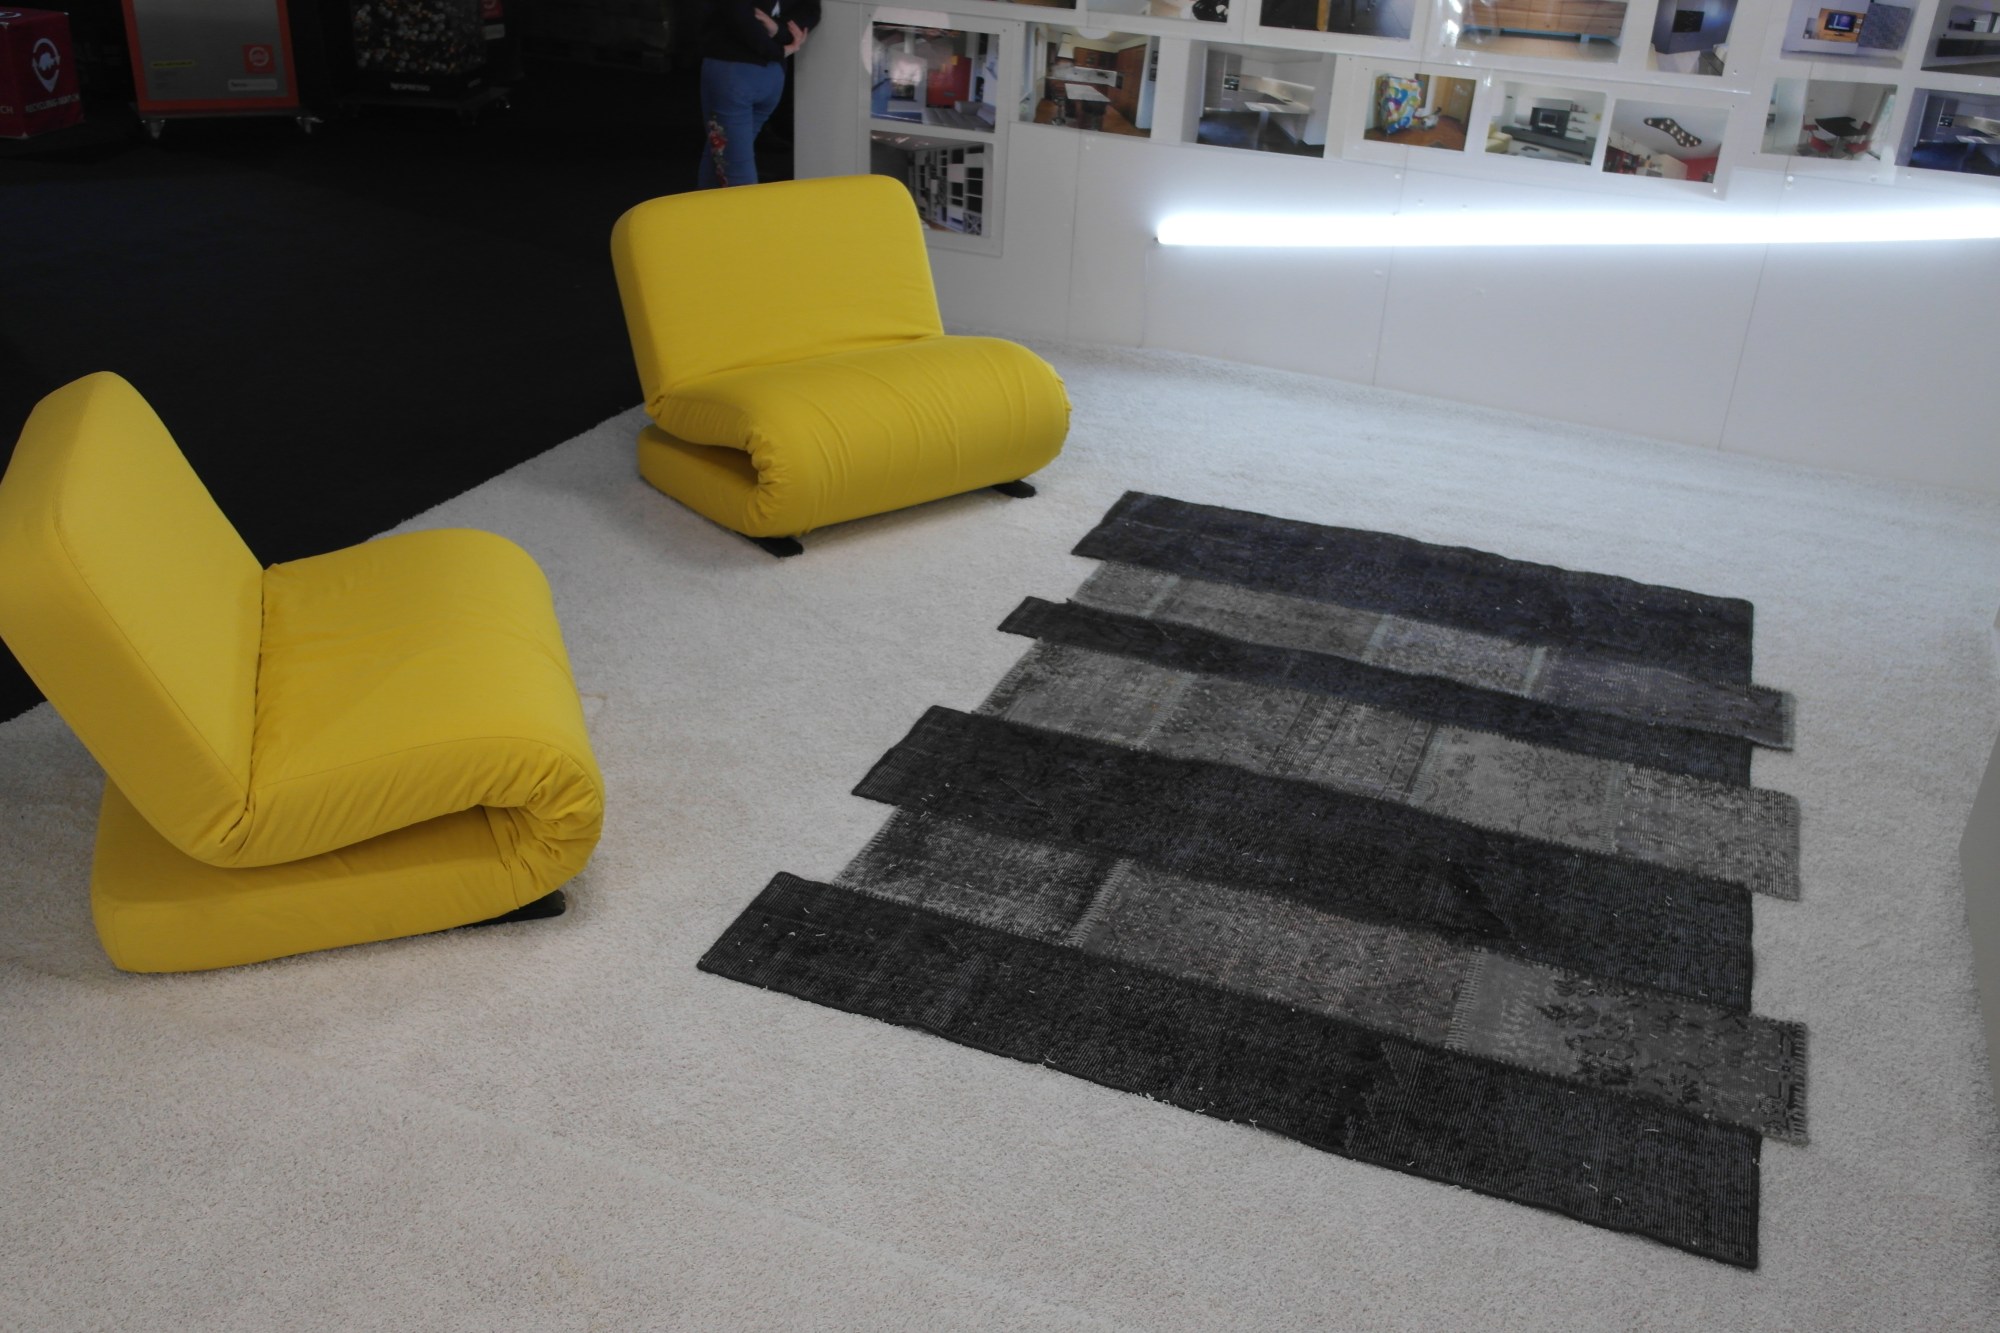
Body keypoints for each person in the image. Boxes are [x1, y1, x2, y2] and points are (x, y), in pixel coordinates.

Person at [696, 0, 820, 188]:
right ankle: (703, 206)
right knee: (720, 157)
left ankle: (734, 208)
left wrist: (777, 48)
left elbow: (737, 14)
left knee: (734, 169)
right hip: (770, 74)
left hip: (734, 70)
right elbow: (811, 9)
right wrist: (780, 34)